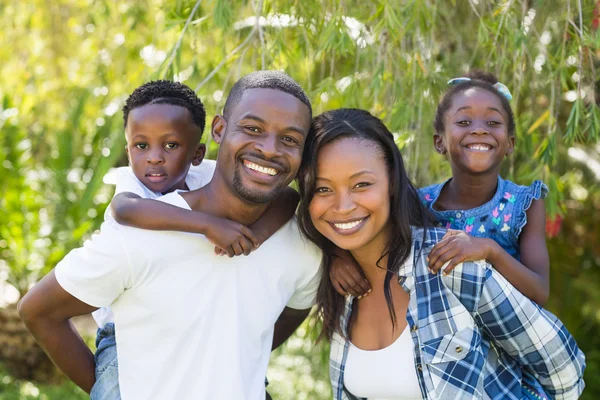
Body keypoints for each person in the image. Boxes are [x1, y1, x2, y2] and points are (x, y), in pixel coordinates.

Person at [18, 71, 322, 400]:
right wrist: (111, 390)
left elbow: (297, 298)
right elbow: (38, 310)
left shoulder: (302, 244)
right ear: (220, 130)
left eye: (290, 139)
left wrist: (242, 356)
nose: (268, 148)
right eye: (253, 129)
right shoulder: (137, 235)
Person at [296, 108, 585, 399]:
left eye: (362, 184)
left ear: (392, 183)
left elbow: (565, 369)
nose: (343, 206)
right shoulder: (337, 284)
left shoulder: (450, 263)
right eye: (322, 189)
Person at [90, 79, 300, 399]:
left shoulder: (205, 175)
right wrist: (208, 226)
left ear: (197, 153)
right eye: (140, 145)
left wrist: (254, 237)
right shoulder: (132, 186)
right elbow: (124, 209)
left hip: (194, 335)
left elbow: (287, 197)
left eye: (171, 145)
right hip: (123, 339)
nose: (154, 158)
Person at [329, 71, 549, 307]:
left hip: (506, 340)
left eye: (493, 123)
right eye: (464, 122)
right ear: (439, 142)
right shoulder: (418, 203)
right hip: (437, 339)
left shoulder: (524, 204)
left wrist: (489, 250)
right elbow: (365, 231)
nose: (479, 130)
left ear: (510, 143)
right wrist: (338, 257)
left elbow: (540, 292)